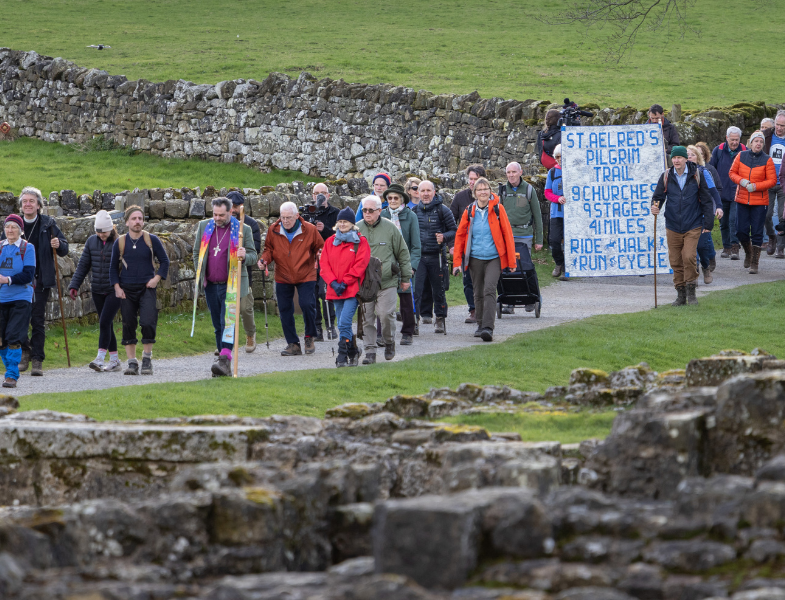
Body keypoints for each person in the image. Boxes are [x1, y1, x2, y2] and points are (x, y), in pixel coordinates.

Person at [1, 187, 69, 377]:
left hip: (39, 279)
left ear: (39, 205)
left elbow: (64, 248)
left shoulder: (48, 224)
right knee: (19, 321)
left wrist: (58, 244)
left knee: (37, 320)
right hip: (17, 283)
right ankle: (25, 352)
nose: (28, 204)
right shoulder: (13, 224)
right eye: (25, 201)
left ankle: (37, 358)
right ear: (21, 206)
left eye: (32, 201)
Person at [193, 197, 257, 377]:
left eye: (221, 215)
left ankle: (223, 360)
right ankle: (224, 362)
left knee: (227, 322)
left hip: (232, 285)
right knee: (217, 325)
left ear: (231, 212)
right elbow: (197, 252)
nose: (217, 218)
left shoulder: (243, 229)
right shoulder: (205, 226)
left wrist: (245, 255)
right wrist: (200, 270)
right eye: (215, 214)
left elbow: (253, 256)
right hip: (211, 285)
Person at [452, 178, 516, 342]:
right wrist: (457, 263)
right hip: (474, 258)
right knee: (477, 292)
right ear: (475, 193)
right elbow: (459, 237)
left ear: (490, 190)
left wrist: (511, 262)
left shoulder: (497, 209)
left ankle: (488, 327)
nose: (483, 192)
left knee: (489, 290)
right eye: (479, 190)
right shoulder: (469, 211)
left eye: (485, 189)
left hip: (494, 258)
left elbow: (508, 235)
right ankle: (480, 325)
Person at [258, 201, 324, 356]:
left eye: (289, 217)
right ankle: (293, 343)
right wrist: (264, 260)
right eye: (282, 217)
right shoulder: (273, 230)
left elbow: (320, 247)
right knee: (284, 309)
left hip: (305, 273)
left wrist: (320, 254)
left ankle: (309, 336)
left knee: (307, 304)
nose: (285, 221)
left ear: (296, 216)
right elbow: (269, 249)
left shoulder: (310, 229)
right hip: (283, 275)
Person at [110, 206, 170, 375]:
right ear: (127, 221)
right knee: (128, 324)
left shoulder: (151, 240)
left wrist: (156, 279)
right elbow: (113, 268)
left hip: (147, 289)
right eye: (134, 219)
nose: (137, 222)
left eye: (140, 218)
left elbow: (165, 262)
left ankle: (147, 359)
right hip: (126, 290)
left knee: (148, 322)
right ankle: (131, 363)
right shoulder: (120, 242)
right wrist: (116, 287)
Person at [651, 146, 715, 305]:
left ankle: (691, 292)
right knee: (675, 260)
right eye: (674, 158)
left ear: (686, 159)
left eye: (679, 157)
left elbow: (706, 200)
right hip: (672, 224)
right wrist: (655, 206)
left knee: (688, 257)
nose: (676, 160)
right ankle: (680, 295)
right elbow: (658, 197)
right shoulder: (666, 176)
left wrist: (708, 222)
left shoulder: (697, 175)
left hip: (692, 224)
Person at [356, 195, 412, 363]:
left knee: (385, 314)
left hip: (386, 281)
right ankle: (370, 352)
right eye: (364, 210)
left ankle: (389, 342)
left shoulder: (390, 228)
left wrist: (406, 277)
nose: (367, 213)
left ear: (379, 211)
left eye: (371, 210)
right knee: (366, 318)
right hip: (364, 284)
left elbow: (403, 252)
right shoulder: (356, 230)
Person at [68, 210, 122, 372]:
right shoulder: (91, 242)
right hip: (97, 289)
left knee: (104, 322)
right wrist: (74, 285)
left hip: (115, 290)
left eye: (104, 232)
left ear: (111, 228)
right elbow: (83, 265)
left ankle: (99, 358)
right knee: (108, 324)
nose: (101, 235)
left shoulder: (120, 242)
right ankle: (115, 360)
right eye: (98, 232)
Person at [320, 207, 371, 367]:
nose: (342, 224)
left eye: (346, 222)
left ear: (352, 224)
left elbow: (360, 264)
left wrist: (345, 281)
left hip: (352, 290)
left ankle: (341, 356)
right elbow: (324, 265)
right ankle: (353, 352)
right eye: (340, 221)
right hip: (335, 289)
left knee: (343, 323)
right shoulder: (330, 241)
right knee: (344, 324)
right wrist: (333, 282)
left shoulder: (360, 242)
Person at [729, 131, 778, 274]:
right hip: (742, 199)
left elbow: (772, 181)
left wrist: (756, 186)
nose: (758, 144)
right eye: (756, 141)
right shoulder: (741, 155)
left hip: (760, 201)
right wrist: (742, 181)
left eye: (761, 142)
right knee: (740, 230)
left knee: (757, 232)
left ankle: (754, 263)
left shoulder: (767, 160)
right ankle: (748, 252)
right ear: (750, 143)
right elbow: (732, 173)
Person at [498, 162, 543, 313]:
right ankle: (510, 302)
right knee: (508, 271)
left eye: (514, 172)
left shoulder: (530, 190)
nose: (511, 175)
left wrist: (539, 240)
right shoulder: (502, 191)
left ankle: (530, 299)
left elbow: (537, 216)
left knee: (525, 269)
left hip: (525, 236)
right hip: (507, 237)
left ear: (520, 172)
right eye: (508, 172)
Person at [412, 181, 456, 334]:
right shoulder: (413, 211)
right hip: (418, 257)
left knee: (439, 290)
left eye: (428, 190)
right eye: (422, 190)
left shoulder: (443, 210)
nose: (425, 194)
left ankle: (440, 319)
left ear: (434, 192)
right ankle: (414, 321)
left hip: (437, 256)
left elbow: (454, 231)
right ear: (417, 192)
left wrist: (443, 237)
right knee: (416, 291)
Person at [381, 184, 421, 346]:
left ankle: (407, 332)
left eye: (396, 198)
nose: (392, 201)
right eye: (389, 198)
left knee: (405, 300)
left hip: (404, 263)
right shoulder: (382, 215)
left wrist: (411, 266)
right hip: (385, 264)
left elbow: (416, 246)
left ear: (402, 199)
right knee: (382, 301)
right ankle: (383, 334)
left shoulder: (411, 217)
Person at [0, 215, 35, 388]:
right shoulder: (0, 248)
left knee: (13, 337)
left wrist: (7, 280)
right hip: (1, 298)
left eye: (14, 227)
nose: (10, 230)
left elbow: (28, 274)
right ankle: (10, 370)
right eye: (7, 227)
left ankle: (11, 375)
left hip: (21, 298)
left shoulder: (27, 248)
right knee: (1, 339)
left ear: (20, 230)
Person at [450, 164, 486, 324]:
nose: (472, 182)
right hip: (465, 246)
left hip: (485, 245)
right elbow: (450, 224)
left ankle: (485, 309)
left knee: (485, 280)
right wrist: (452, 245)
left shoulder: (490, 198)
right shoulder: (459, 198)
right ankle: (473, 310)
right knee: (468, 281)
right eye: (470, 179)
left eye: (476, 179)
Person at [227, 191, 262, 353]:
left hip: (243, 273)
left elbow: (255, 250)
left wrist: (243, 255)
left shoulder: (250, 225)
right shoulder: (222, 222)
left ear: (242, 206)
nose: (232, 210)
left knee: (245, 308)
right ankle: (226, 342)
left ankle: (250, 334)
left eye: (235, 206)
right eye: (230, 206)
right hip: (225, 273)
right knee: (228, 307)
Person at [686, 145, 723, 285]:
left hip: (703, 213)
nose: (689, 157)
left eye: (692, 155)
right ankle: (693, 274)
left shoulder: (704, 172)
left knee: (702, 245)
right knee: (690, 248)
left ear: (698, 157)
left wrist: (719, 207)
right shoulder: (679, 174)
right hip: (688, 215)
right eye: (687, 155)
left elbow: (714, 192)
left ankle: (706, 267)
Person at [309, 183, 340, 342]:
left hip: (329, 257)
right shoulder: (308, 212)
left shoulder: (336, 213)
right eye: (316, 193)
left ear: (328, 195)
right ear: (312, 195)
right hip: (310, 258)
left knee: (325, 292)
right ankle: (317, 328)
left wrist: (325, 229)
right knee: (312, 293)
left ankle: (330, 326)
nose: (319, 196)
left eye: (322, 193)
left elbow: (340, 235)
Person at [710, 126, 746, 260]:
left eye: (737, 140)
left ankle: (735, 246)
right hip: (722, 193)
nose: (734, 142)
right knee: (723, 222)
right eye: (732, 140)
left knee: (733, 221)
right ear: (726, 138)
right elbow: (711, 169)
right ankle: (726, 247)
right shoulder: (718, 151)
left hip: (738, 192)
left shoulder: (744, 151)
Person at [763, 112, 785, 256]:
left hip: (783, 183)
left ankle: (780, 247)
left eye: (782, 125)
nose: (779, 128)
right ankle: (771, 237)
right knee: (766, 215)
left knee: (783, 217)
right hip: (768, 182)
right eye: (777, 124)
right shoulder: (766, 136)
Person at [544, 145, 567, 278]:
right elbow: (547, 192)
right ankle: (559, 263)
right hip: (556, 213)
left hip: (571, 214)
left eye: (561, 156)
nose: (559, 159)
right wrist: (558, 198)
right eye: (557, 157)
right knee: (554, 240)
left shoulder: (573, 170)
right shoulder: (552, 172)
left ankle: (566, 270)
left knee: (569, 242)